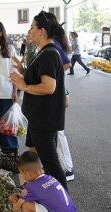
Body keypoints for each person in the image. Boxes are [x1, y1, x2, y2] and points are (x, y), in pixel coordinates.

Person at [10, 11, 68, 190]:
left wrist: (24, 86)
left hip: (44, 119)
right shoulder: (43, 52)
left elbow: (48, 87)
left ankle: (62, 201)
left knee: (51, 163)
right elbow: (37, 78)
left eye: (32, 27)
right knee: (33, 153)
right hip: (37, 117)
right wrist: (22, 70)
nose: (30, 31)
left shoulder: (49, 54)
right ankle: (32, 188)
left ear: (42, 31)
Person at [8, 151, 76, 212]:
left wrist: (13, 202)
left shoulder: (32, 186)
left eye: (22, 174)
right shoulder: (49, 177)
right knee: (34, 201)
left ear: (27, 173)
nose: (22, 176)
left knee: (25, 206)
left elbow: (16, 208)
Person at [53, 28, 75, 181]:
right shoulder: (53, 43)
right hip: (55, 93)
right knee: (55, 133)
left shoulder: (52, 43)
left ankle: (68, 169)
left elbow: (67, 64)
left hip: (56, 94)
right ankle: (62, 167)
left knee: (58, 133)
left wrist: (52, 77)